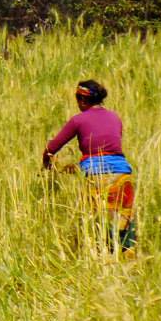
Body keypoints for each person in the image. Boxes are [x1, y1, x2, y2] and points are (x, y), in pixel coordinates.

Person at [42, 80, 137, 256]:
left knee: (96, 226)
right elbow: (107, 151)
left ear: (83, 99)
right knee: (124, 227)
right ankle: (129, 263)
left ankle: (100, 262)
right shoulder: (115, 117)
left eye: (77, 98)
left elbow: (51, 149)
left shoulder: (78, 120)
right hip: (123, 176)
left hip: (96, 179)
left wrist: (46, 166)